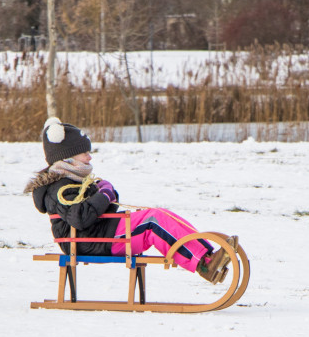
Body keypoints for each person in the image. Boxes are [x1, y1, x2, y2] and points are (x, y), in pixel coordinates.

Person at [24, 118, 236, 284]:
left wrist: (107, 193)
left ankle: (207, 257)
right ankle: (203, 265)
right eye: (84, 153)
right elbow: (80, 218)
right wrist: (105, 194)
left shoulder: (74, 181)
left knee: (160, 214)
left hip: (102, 234)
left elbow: (103, 208)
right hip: (89, 241)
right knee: (153, 220)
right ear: (67, 157)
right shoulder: (58, 188)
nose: (89, 157)